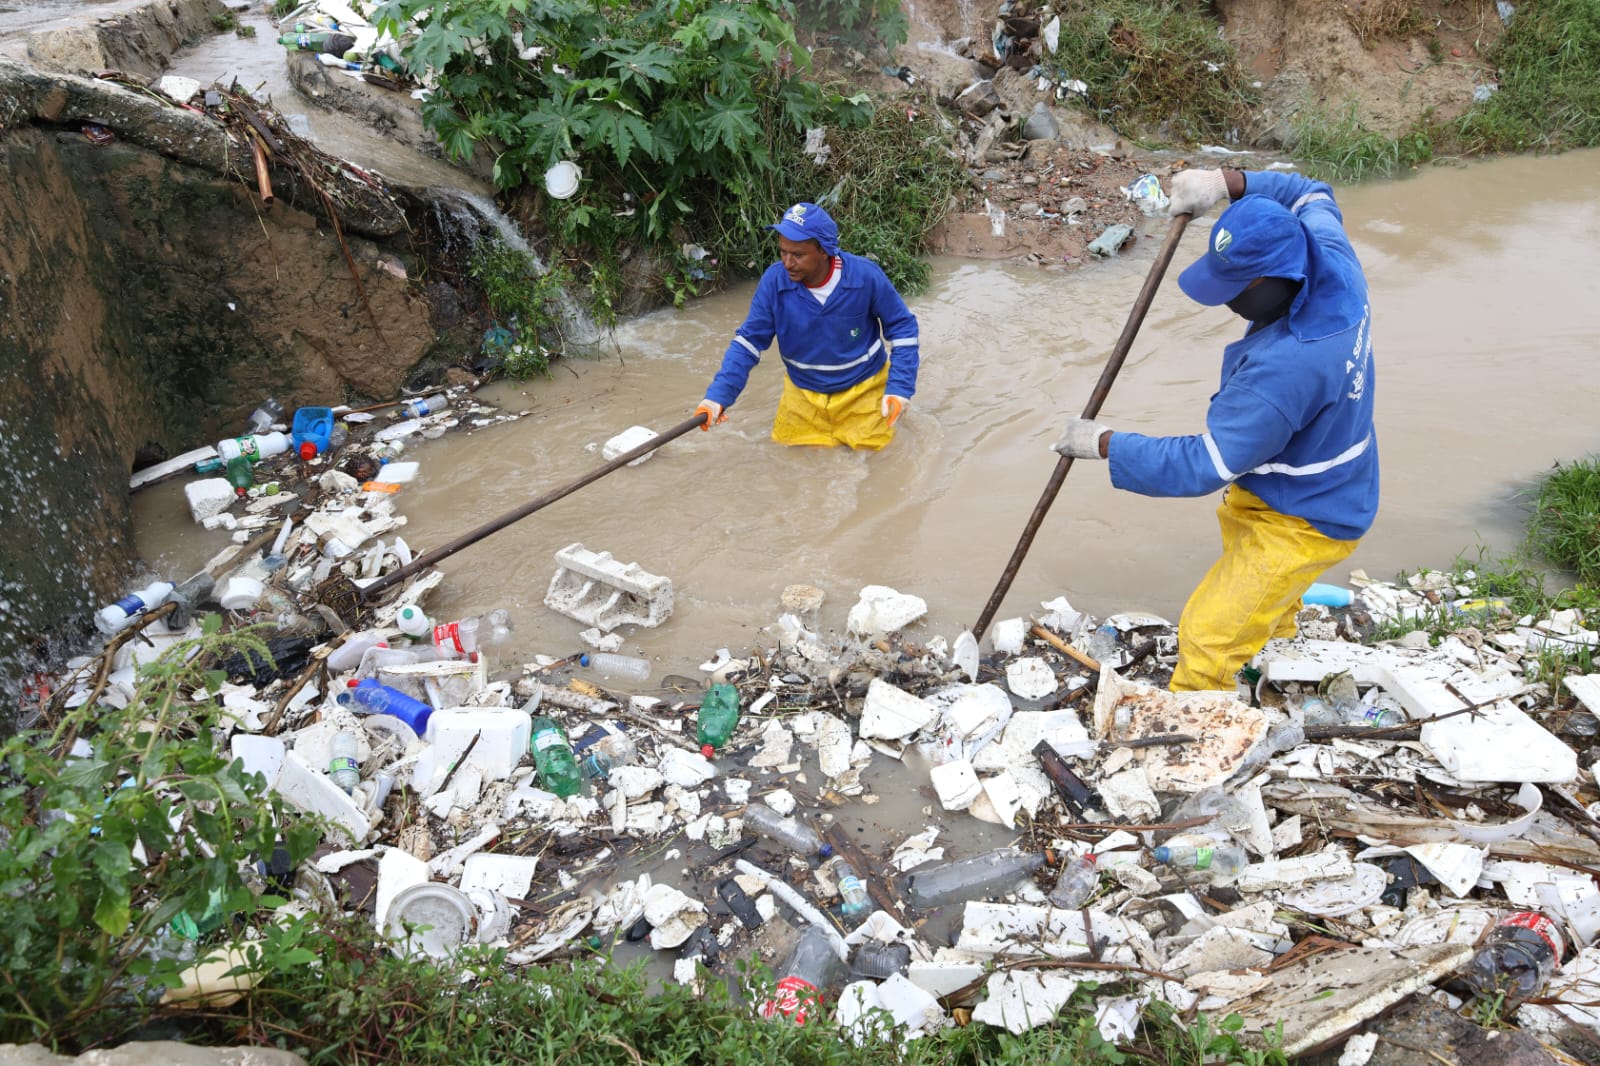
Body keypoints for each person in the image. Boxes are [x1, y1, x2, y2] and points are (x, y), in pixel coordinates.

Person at [1053, 168, 1378, 692]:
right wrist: (1226, 182)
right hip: (1315, 476)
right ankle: (1276, 656)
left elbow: (1204, 465)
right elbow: (1312, 191)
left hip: (1307, 517)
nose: (1225, 300)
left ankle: (1193, 741)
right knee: (1255, 574)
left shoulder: (1286, 369)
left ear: (1273, 281)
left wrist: (1104, 443)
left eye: (1234, 288)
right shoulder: (1328, 256)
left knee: (1207, 635)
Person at [694, 202, 920, 450]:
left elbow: (903, 329)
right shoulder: (774, 282)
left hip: (863, 392)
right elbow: (748, 344)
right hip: (802, 395)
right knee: (792, 466)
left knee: (879, 462)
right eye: (783, 252)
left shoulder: (864, 277)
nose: (788, 263)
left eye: (798, 255)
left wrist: (899, 388)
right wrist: (717, 398)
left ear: (824, 251)